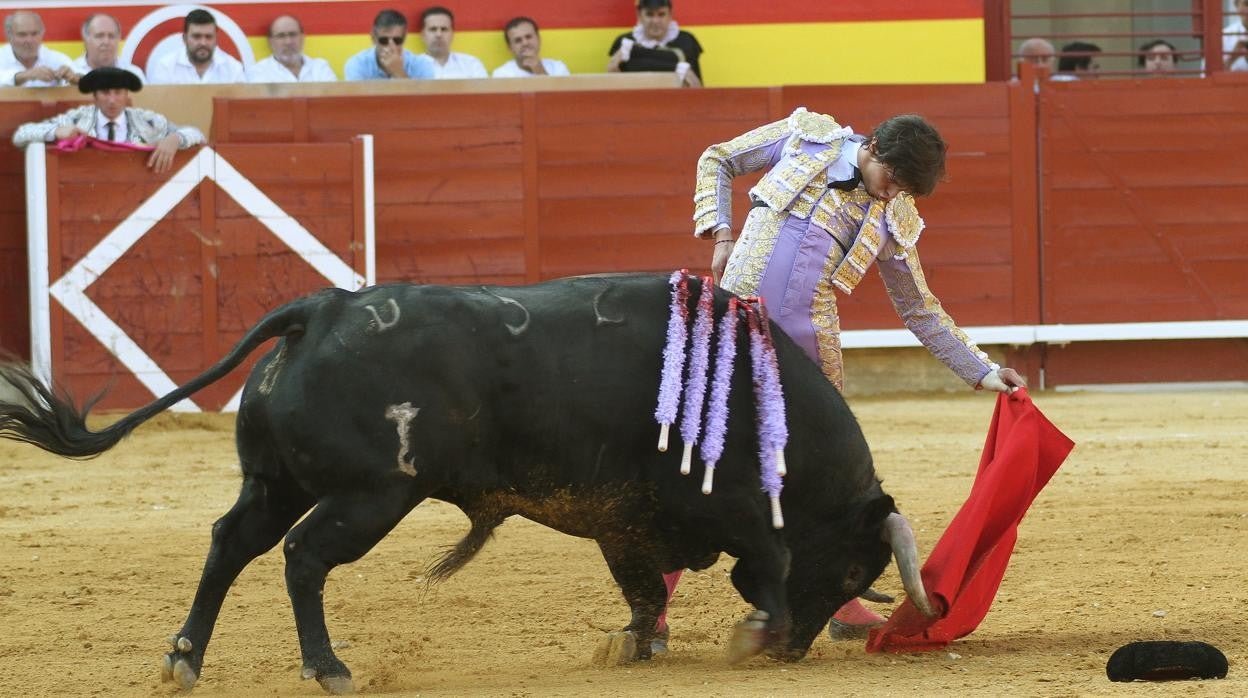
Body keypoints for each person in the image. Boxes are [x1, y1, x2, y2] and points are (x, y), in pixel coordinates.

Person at [670, 107, 1027, 647]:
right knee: (689, 459)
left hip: (810, 355)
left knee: (821, 483)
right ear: (875, 147)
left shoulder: (894, 215)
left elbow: (920, 309)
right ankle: (651, 604)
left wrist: (981, 370)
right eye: (892, 180)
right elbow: (716, 158)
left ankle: (841, 598)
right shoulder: (806, 138)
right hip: (734, 327)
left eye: (904, 189)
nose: (891, 195)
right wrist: (720, 234)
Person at [11, 67, 205, 174]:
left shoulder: (147, 121)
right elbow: (21, 135)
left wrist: (175, 139)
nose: (112, 100)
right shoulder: (77, 118)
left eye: (118, 93)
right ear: (94, 97)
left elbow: (197, 134)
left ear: (126, 95)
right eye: (105, 93)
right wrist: (55, 132)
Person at [607, 0, 703, 87]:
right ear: (639, 15)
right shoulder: (623, 41)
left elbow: (698, 87)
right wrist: (612, 71)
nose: (655, 21)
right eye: (649, 14)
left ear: (670, 15)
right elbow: (613, 87)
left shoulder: (686, 41)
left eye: (661, 14)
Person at [147, 9, 246, 84]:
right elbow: (159, 107)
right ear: (184, 38)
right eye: (196, 36)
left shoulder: (233, 68)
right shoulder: (166, 67)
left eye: (209, 37)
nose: (203, 42)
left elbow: (240, 107)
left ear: (216, 38)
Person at [343, 9, 435, 80]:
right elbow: (359, 102)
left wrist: (398, 72)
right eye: (384, 40)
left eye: (397, 40)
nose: (391, 47)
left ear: (404, 39)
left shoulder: (421, 64)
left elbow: (421, 102)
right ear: (373, 38)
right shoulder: (357, 64)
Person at [250, 15, 337, 83]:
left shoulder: (320, 67)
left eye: (293, 34)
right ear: (271, 41)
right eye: (281, 36)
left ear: (302, 38)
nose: (288, 42)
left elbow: (333, 101)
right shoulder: (259, 71)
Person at [1, 11, 74, 87]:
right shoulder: (2, 57)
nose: (29, 40)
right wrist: (26, 75)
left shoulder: (57, 58)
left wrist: (72, 78)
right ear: (8, 36)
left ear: (42, 34)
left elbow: (81, 79)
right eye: (22, 35)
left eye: (34, 34)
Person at [70, 14, 146, 84]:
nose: (106, 42)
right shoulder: (72, 73)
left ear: (118, 39)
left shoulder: (134, 74)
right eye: (99, 36)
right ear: (86, 39)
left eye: (111, 36)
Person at [418, 6, 488, 79]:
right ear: (423, 35)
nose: (439, 34)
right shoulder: (411, 69)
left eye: (444, 29)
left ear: (452, 34)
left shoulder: (471, 65)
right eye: (433, 29)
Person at [492, 16, 569, 78]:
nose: (525, 43)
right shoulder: (501, 74)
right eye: (518, 40)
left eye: (528, 37)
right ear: (510, 48)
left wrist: (540, 72)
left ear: (539, 38)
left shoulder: (557, 67)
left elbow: (564, 97)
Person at [1223, 0, 1248, 71]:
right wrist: (1232, 58)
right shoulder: (1223, 37)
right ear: (1236, 5)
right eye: (1247, 4)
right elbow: (1208, 78)